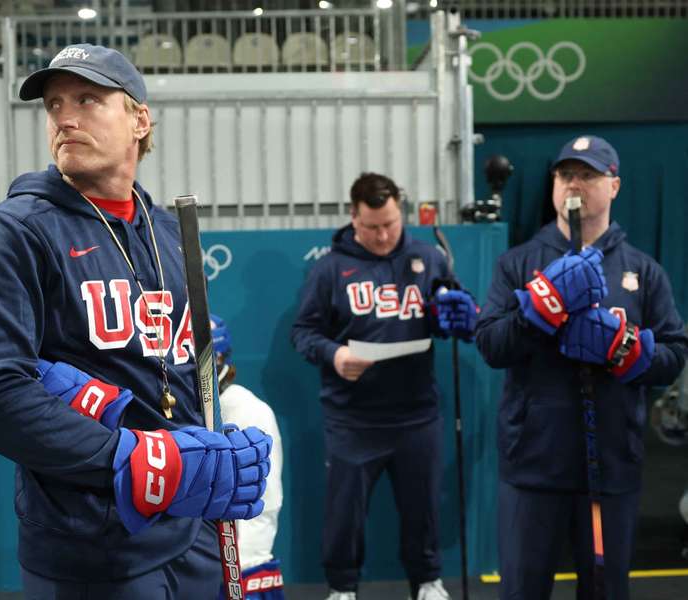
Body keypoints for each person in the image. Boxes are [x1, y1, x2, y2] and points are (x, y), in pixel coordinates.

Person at [0, 43, 271, 600]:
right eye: (54, 105)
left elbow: (177, 377)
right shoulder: (19, 230)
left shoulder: (168, 230)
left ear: (139, 119)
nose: (64, 118)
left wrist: (215, 455)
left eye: (88, 100)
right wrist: (131, 458)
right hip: (89, 543)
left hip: (188, 530)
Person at [474, 135, 688, 600]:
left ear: (614, 186)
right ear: (552, 184)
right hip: (533, 467)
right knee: (522, 592)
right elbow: (490, 344)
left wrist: (625, 349)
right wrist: (538, 309)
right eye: (565, 173)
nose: (574, 182)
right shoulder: (518, 264)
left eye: (587, 174)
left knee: (604, 592)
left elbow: (674, 355)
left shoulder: (642, 271)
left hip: (608, 470)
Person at [291, 172, 479, 600]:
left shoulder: (428, 257)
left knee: (424, 510)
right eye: (372, 226)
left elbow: (462, 313)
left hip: (417, 413)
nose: (383, 235)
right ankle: (342, 588)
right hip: (353, 418)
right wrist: (335, 355)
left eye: (391, 224)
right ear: (353, 218)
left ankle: (428, 582)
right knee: (344, 515)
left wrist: (458, 313)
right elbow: (303, 332)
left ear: (401, 214)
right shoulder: (331, 268)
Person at [211, 314, 286, 600]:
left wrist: (242, 563)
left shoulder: (248, 412)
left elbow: (264, 503)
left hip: (237, 566)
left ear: (218, 359)